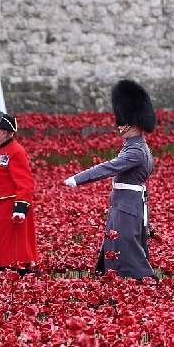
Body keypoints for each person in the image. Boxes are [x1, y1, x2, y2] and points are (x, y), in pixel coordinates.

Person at [64, 79, 156, 280]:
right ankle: (112, 275)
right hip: (125, 202)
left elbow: (109, 167)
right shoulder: (136, 146)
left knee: (125, 245)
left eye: (122, 122)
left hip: (127, 205)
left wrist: (78, 179)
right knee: (116, 243)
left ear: (130, 124)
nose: (118, 126)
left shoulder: (136, 151)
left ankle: (141, 279)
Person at [0, 111, 38, 274]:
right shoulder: (3, 150)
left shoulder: (15, 151)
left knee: (11, 245)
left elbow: (25, 183)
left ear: (4, 132)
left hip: (9, 209)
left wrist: (20, 208)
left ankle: (13, 272)